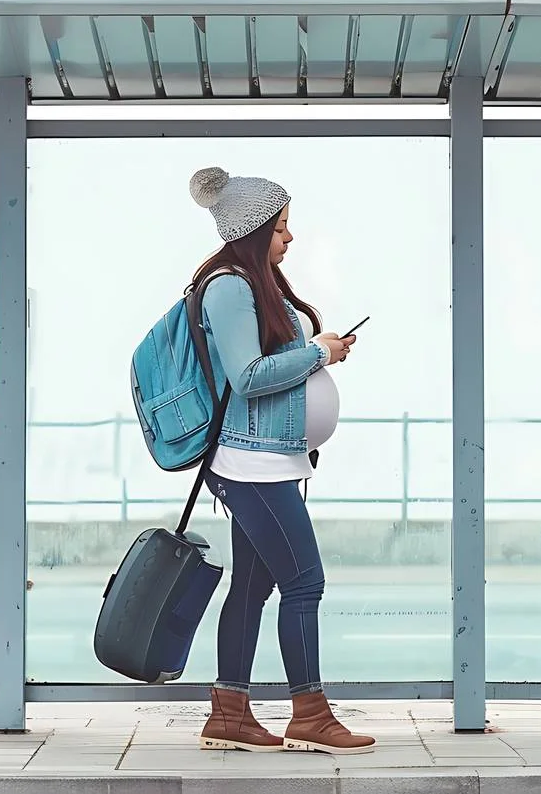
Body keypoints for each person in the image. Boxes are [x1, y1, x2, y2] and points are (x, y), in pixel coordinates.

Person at [184, 166, 376, 756]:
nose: (289, 238)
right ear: (252, 229)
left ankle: (229, 712)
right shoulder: (229, 288)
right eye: (281, 227)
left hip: (270, 463)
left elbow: (272, 362)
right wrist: (317, 353)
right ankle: (310, 713)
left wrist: (322, 350)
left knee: (252, 586)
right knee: (304, 582)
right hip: (252, 466)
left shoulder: (254, 284)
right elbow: (246, 378)